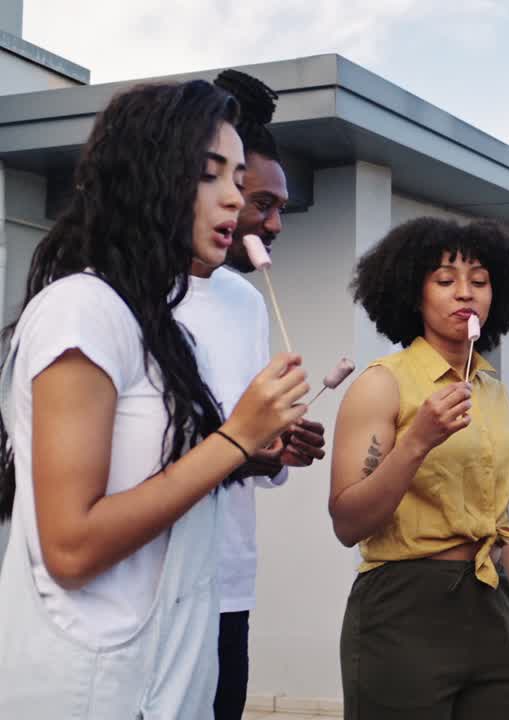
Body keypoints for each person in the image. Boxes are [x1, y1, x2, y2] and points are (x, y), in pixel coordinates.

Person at [0, 81, 309, 717]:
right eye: (208, 174)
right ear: (146, 179)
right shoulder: (82, 311)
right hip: (93, 686)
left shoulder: (161, 324)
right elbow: (72, 549)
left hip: (169, 676)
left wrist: (255, 448)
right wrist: (234, 438)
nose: (233, 197)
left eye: (238, 176)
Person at [330, 217, 509, 718]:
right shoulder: (381, 385)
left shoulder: (493, 391)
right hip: (403, 606)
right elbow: (348, 522)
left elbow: (498, 521)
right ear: (414, 292)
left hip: (488, 603)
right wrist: (416, 442)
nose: (465, 294)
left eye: (479, 281)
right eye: (445, 280)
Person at [169, 68, 326, 720]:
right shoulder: (128, 296)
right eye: (262, 202)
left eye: (278, 208)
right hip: (155, 584)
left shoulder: (244, 302)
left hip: (229, 581)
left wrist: (277, 448)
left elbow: (244, 450)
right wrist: (237, 441)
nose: (272, 223)